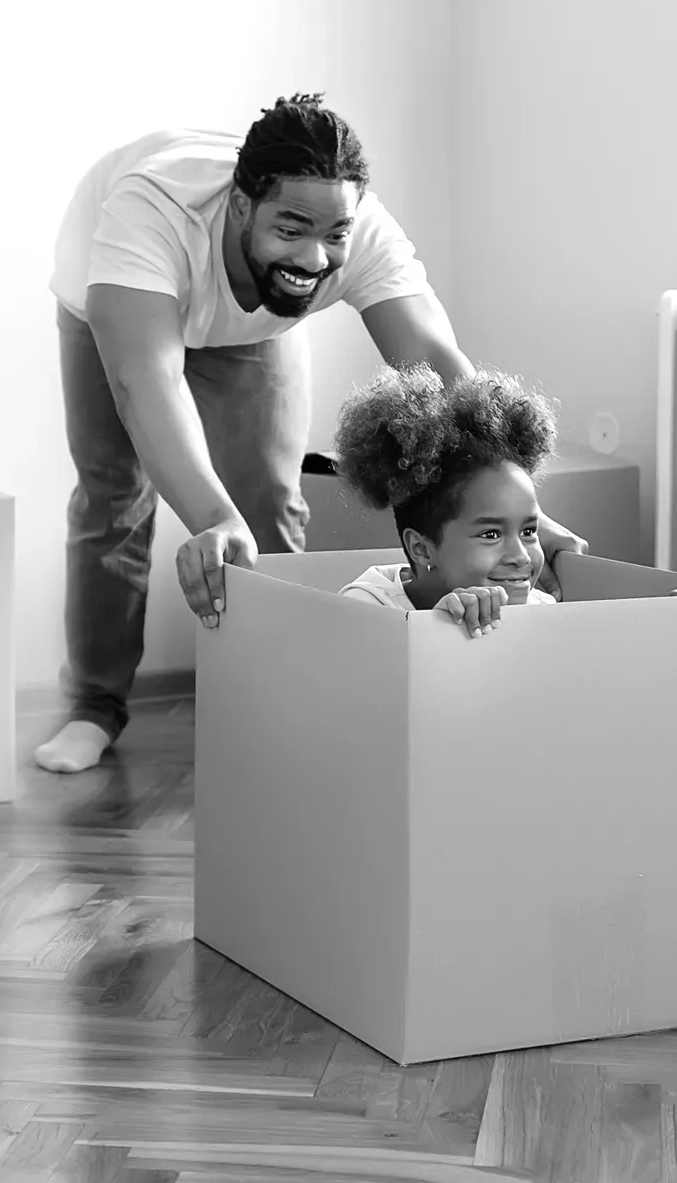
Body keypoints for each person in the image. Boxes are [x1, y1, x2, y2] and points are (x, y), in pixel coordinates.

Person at [39, 94, 588, 773]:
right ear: (241, 206)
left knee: (266, 501)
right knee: (115, 494)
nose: (316, 255)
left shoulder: (361, 234)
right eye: (291, 228)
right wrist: (209, 517)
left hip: (255, 324)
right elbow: (144, 383)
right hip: (118, 311)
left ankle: (285, 697)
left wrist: (532, 518)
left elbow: (449, 379)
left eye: (333, 235)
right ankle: (96, 707)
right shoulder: (150, 209)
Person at [331, 364, 677, 633]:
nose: (522, 557)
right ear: (422, 548)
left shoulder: (537, 607)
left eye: (529, 530)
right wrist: (440, 628)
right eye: (491, 534)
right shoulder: (368, 605)